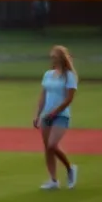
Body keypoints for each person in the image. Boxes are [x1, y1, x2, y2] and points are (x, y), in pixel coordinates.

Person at [34, 45, 79, 190]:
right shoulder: (48, 74)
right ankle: (53, 180)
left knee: (53, 145)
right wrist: (38, 114)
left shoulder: (69, 76)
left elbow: (69, 99)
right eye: (51, 56)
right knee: (48, 148)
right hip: (47, 114)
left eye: (54, 56)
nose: (52, 59)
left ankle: (70, 168)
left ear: (61, 57)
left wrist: (55, 111)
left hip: (61, 115)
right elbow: (43, 95)